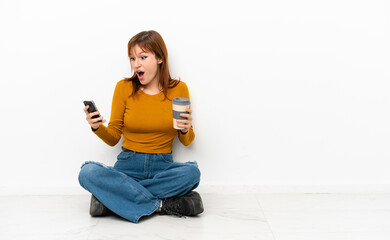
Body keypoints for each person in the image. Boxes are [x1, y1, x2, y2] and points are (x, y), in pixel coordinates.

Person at [78, 30, 204, 223]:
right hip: (128, 166)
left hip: (162, 168)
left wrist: (186, 129)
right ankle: (161, 205)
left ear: (160, 58)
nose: (136, 64)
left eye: (143, 57)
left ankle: (115, 199)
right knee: (87, 173)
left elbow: (187, 141)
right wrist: (97, 127)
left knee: (192, 173)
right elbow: (113, 138)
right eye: (132, 58)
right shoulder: (124, 88)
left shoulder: (179, 89)